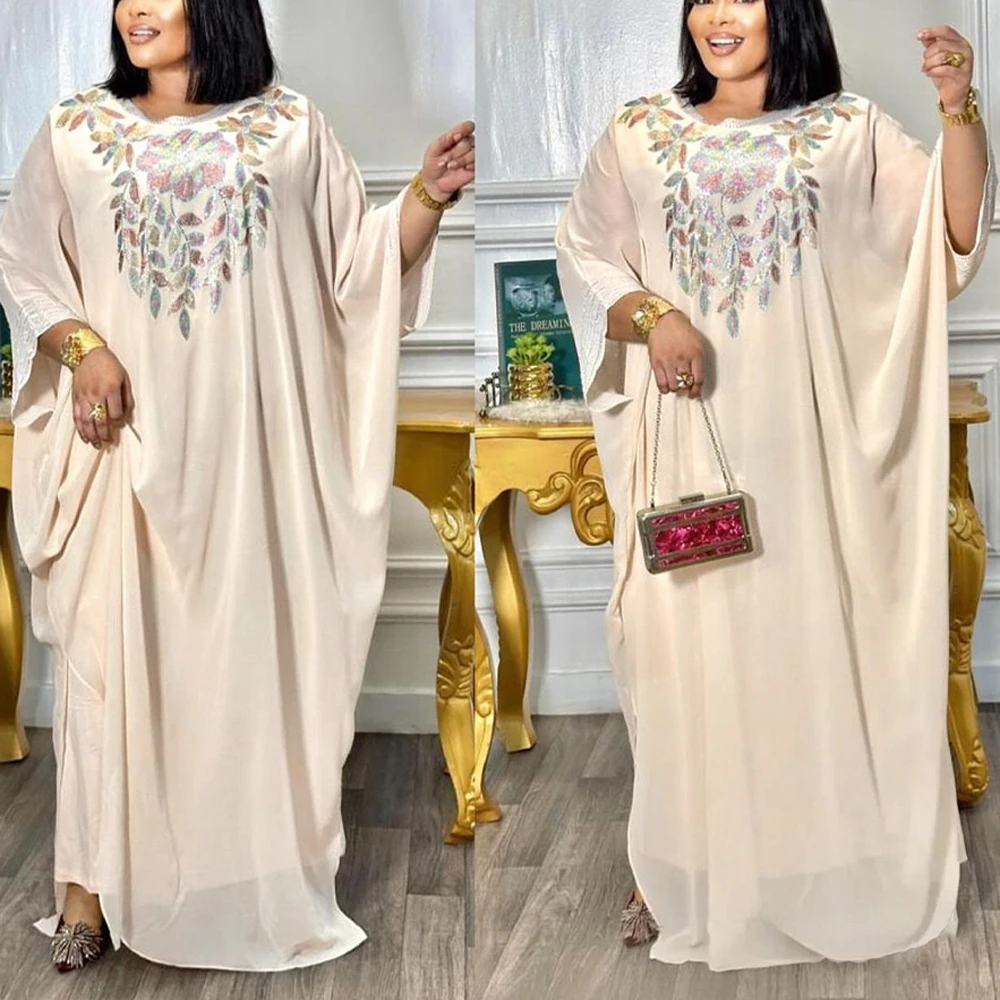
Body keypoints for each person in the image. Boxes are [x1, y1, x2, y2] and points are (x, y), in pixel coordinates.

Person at [0, 0, 474, 974]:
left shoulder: (288, 127)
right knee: (105, 659)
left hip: (252, 460)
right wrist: (82, 349)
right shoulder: (77, 130)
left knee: (240, 668)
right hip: (119, 450)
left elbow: (356, 273)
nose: (136, 8)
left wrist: (424, 199)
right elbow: (27, 264)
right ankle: (87, 887)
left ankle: (239, 874)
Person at [555, 0, 995, 972]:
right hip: (689, 441)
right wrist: (652, 314)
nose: (718, 15)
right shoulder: (640, 132)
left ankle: (809, 862)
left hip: (810, 447)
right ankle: (683, 865)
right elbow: (583, 258)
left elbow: (949, 235)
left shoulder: (846, 132)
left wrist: (959, 109)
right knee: (681, 649)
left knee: (797, 642)